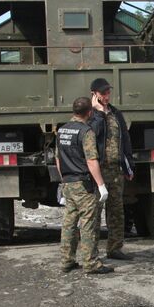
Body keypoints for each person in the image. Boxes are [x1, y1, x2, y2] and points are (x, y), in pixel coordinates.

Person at [56, 97, 113, 274]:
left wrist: (63, 179)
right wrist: (101, 185)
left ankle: (67, 261)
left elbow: (58, 158)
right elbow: (91, 161)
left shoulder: (62, 130)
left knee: (69, 224)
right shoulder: (86, 132)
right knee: (88, 223)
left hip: (68, 183)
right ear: (89, 113)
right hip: (84, 184)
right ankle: (90, 263)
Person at [88, 78, 136, 260]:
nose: (106, 96)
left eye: (108, 92)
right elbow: (93, 134)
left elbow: (125, 138)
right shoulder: (90, 114)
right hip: (98, 172)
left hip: (116, 170)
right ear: (94, 94)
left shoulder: (116, 113)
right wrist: (99, 113)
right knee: (94, 213)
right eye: (103, 93)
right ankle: (91, 252)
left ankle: (115, 248)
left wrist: (129, 164)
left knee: (116, 211)